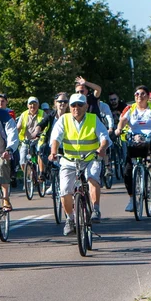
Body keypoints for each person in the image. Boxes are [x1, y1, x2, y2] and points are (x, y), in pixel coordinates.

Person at [49, 93, 110, 234]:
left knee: (92, 178)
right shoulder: (64, 120)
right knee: (64, 189)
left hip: (90, 159)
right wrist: (53, 152)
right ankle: (70, 219)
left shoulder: (93, 119)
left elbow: (104, 137)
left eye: (80, 105)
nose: (76, 108)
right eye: (73, 105)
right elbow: (55, 138)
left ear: (86, 106)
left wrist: (101, 149)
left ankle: (95, 210)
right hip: (69, 160)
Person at [115, 85, 151, 212]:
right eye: (137, 94)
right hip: (135, 139)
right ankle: (131, 200)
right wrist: (119, 129)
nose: (139, 96)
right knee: (127, 171)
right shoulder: (130, 108)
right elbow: (123, 120)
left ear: (147, 96)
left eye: (142, 94)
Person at [17, 96, 47, 178]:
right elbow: (18, 127)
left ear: (38, 105)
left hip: (38, 140)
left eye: (34, 104)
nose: (32, 106)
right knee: (22, 161)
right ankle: (30, 176)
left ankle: (41, 173)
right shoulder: (24, 114)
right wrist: (15, 134)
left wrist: (41, 136)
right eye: (30, 104)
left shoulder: (43, 114)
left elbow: (46, 126)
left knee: (40, 154)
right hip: (26, 141)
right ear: (27, 105)